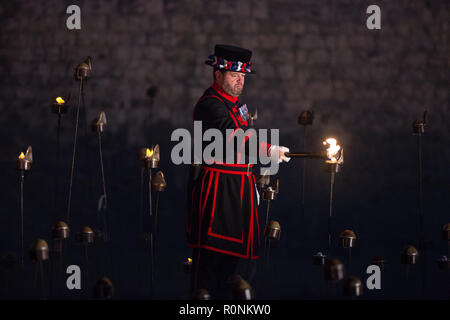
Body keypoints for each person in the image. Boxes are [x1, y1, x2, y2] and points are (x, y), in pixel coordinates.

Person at [186, 44, 290, 299]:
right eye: (234, 75)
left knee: (231, 267)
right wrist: (268, 150)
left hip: (239, 189)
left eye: (242, 76)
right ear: (218, 74)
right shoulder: (211, 105)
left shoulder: (236, 105)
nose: (240, 81)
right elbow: (234, 138)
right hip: (218, 190)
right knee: (210, 264)